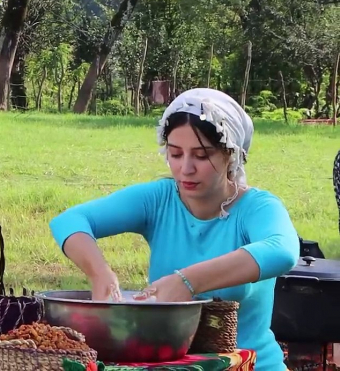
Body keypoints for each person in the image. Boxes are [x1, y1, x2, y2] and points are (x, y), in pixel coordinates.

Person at [49, 88, 298, 370]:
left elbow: (283, 250)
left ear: (231, 154)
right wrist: (99, 273)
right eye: (176, 154)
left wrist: (187, 281)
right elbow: (69, 221)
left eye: (202, 156)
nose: (185, 168)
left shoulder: (257, 208)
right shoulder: (159, 200)